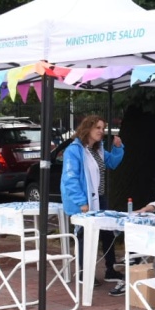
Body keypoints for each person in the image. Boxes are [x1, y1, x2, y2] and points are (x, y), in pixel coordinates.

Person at [61, 115, 125, 291]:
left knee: (106, 233)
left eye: (103, 128)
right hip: (85, 201)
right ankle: (83, 272)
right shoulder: (74, 151)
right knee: (84, 235)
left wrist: (118, 148)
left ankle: (110, 269)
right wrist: (82, 202)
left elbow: (112, 163)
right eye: (97, 127)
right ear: (87, 128)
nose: (101, 131)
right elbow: (70, 178)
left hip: (99, 197)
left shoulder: (99, 149)